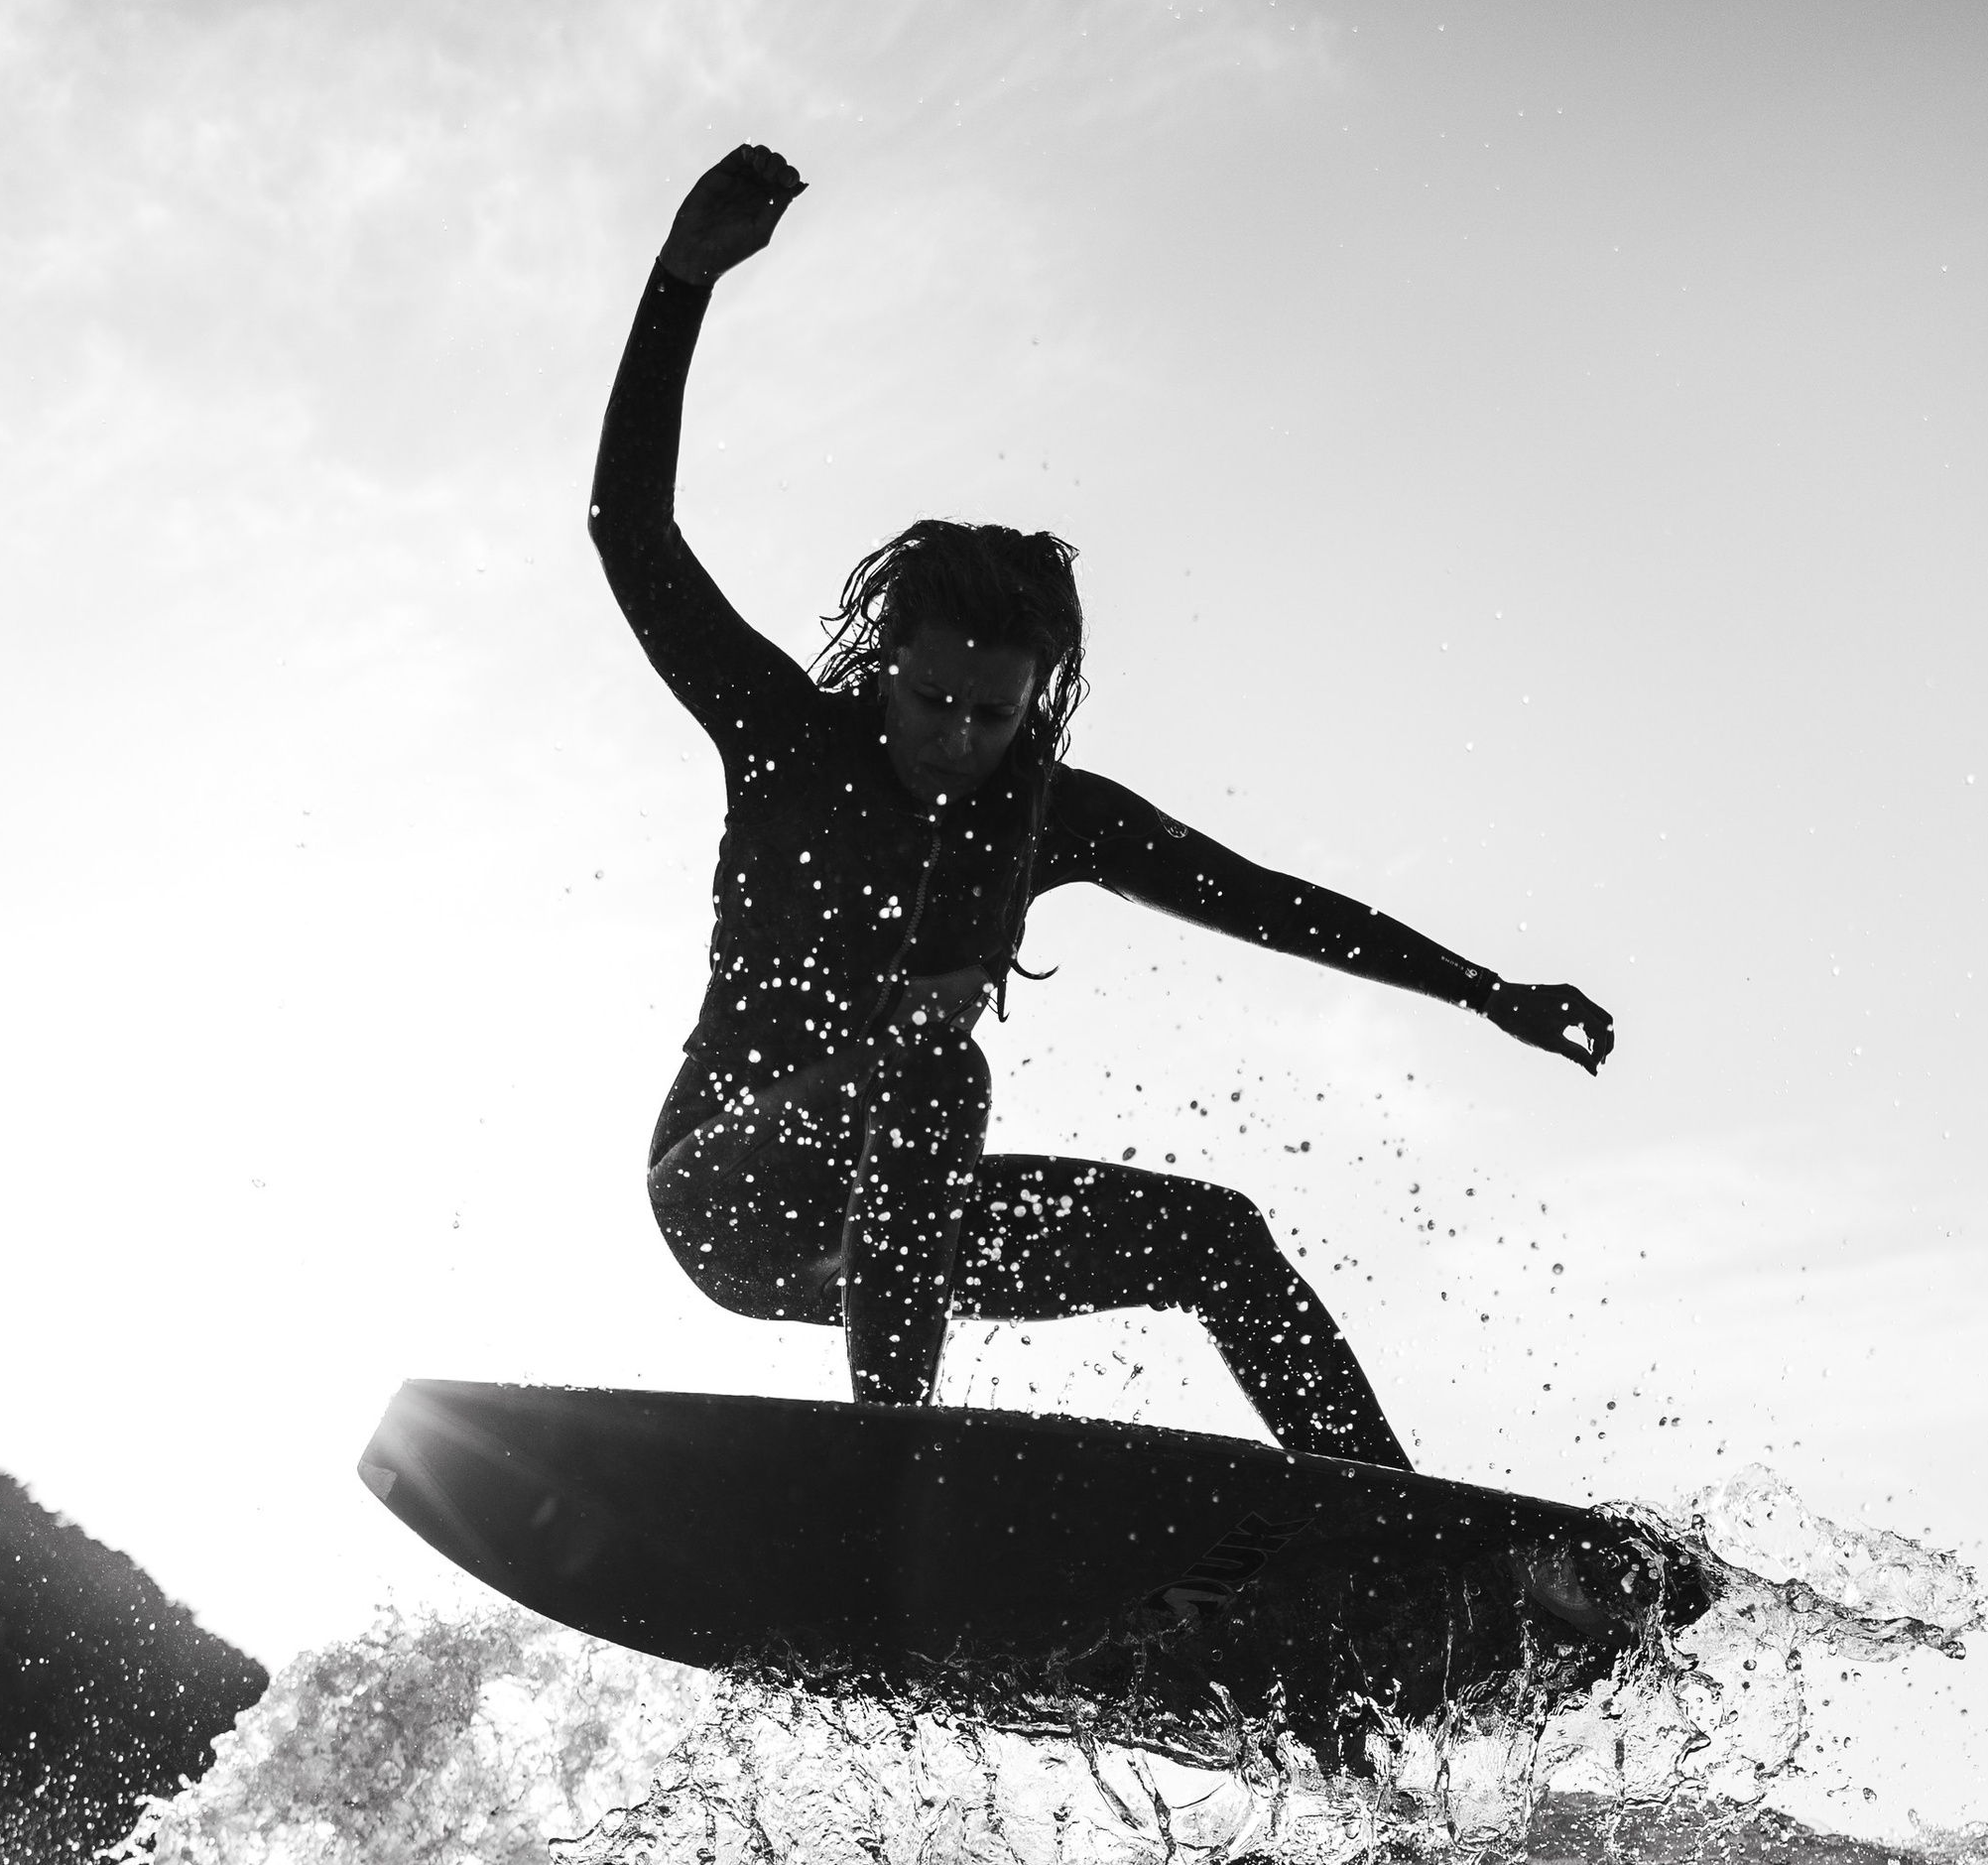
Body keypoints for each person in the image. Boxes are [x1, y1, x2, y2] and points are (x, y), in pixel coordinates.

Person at [589, 144, 1613, 1468]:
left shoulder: (1049, 818)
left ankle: (1382, 1532)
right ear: (884, 663)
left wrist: (1487, 992)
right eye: (931, 699)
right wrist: (682, 280)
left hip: (899, 1218)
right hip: (726, 1187)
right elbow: (632, 529)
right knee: (934, 1066)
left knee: (1215, 1237)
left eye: (990, 714)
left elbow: (1269, 905)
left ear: (1036, 705)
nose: (954, 738)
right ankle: (885, 1468)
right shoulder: (787, 741)